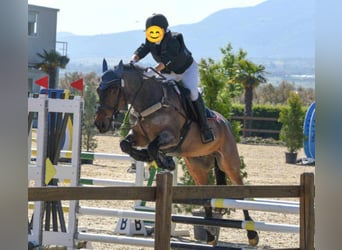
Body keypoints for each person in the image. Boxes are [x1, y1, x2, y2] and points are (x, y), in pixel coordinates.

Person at [131, 13, 214, 144]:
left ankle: (205, 127)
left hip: (186, 70)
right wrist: (133, 60)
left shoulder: (174, 40)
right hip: (168, 73)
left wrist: (153, 72)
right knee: (161, 93)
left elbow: (165, 61)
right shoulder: (151, 39)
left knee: (192, 92)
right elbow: (142, 49)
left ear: (163, 30)